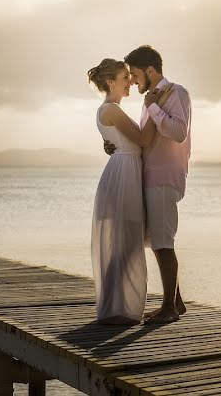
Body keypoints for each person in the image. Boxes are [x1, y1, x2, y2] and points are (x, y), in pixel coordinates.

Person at [105, 45, 192, 324]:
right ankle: (176, 302)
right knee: (156, 241)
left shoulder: (176, 93)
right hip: (148, 177)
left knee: (164, 243)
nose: (132, 80)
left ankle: (169, 308)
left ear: (150, 71)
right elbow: (146, 140)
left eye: (135, 73)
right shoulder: (151, 99)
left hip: (164, 177)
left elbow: (178, 133)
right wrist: (115, 145)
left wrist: (153, 106)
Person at [87, 59, 174, 325]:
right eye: (125, 77)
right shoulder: (111, 110)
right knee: (124, 244)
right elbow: (144, 139)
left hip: (127, 171)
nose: (130, 81)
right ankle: (116, 308)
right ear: (111, 82)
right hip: (123, 174)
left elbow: (133, 140)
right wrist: (153, 105)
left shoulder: (111, 110)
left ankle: (117, 306)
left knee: (127, 243)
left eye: (129, 76)